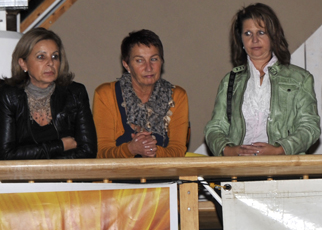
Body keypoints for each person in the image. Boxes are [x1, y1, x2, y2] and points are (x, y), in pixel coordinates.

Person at [205, 3, 320, 156]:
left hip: (282, 166)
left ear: (273, 36)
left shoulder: (300, 79)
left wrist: (279, 150)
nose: (254, 39)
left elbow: (310, 127)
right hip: (238, 167)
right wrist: (230, 151)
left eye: (261, 32)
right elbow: (214, 128)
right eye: (248, 33)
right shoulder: (230, 81)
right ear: (240, 39)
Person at [0, 28, 96, 159]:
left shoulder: (75, 93)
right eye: (41, 57)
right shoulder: (9, 96)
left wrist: (49, 166)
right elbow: (6, 155)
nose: (50, 63)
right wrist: (60, 145)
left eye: (55, 56)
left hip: (67, 172)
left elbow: (88, 151)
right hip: (25, 174)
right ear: (23, 64)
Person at [93, 30, 189, 158]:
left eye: (154, 59)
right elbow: (101, 154)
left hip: (164, 171)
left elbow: (178, 152)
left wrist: (152, 150)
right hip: (119, 172)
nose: (149, 68)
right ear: (126, 65)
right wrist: (131, 149)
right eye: (139, 60)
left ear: (162, 61)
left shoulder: (177, 96)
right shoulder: (106, 94)